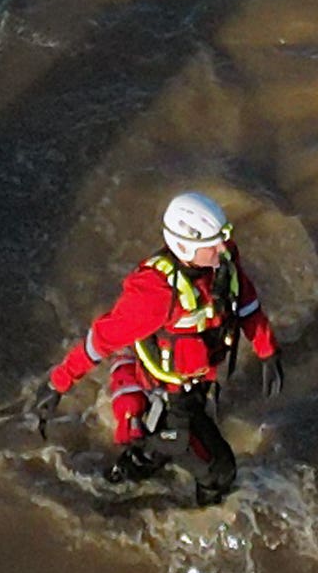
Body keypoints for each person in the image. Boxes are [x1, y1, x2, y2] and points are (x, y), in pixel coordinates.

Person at [41, 190, 282, 504]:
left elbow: (245, 301)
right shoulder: (153, 294)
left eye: (224, 237)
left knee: (163, 447)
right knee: (219, 471)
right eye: (213, 243)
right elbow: (101, 340)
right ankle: (199, 521)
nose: (223, 248)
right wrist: (57, 384)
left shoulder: (222, 260)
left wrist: (267, 350)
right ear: (184, 246)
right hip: (169, 394)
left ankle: (130, 471)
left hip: (197, 382)